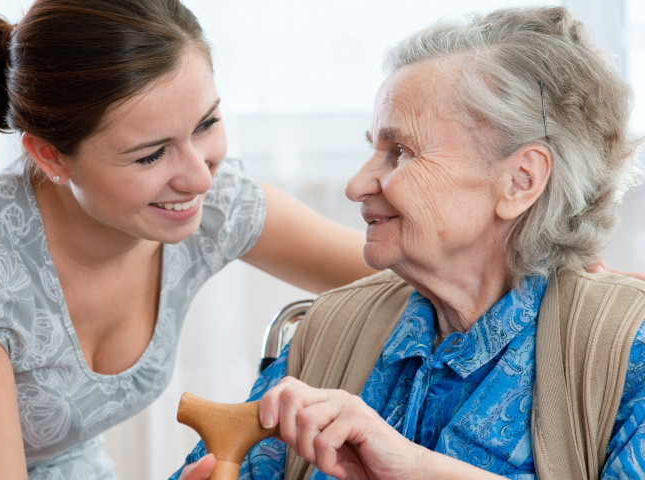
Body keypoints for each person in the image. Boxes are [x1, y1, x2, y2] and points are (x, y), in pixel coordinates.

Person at [0, 1, 376, 478]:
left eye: (206, 124)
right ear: (50, 156)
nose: (199, 178)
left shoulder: (216, 203)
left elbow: (403, 272)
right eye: (150, 155)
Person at [176, 6, 645, 479]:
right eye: (373, 150)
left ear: (520, 181)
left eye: (399, 151)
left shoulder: (627, 349)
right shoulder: (332, 330)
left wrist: (416, 469)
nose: (356, 185)